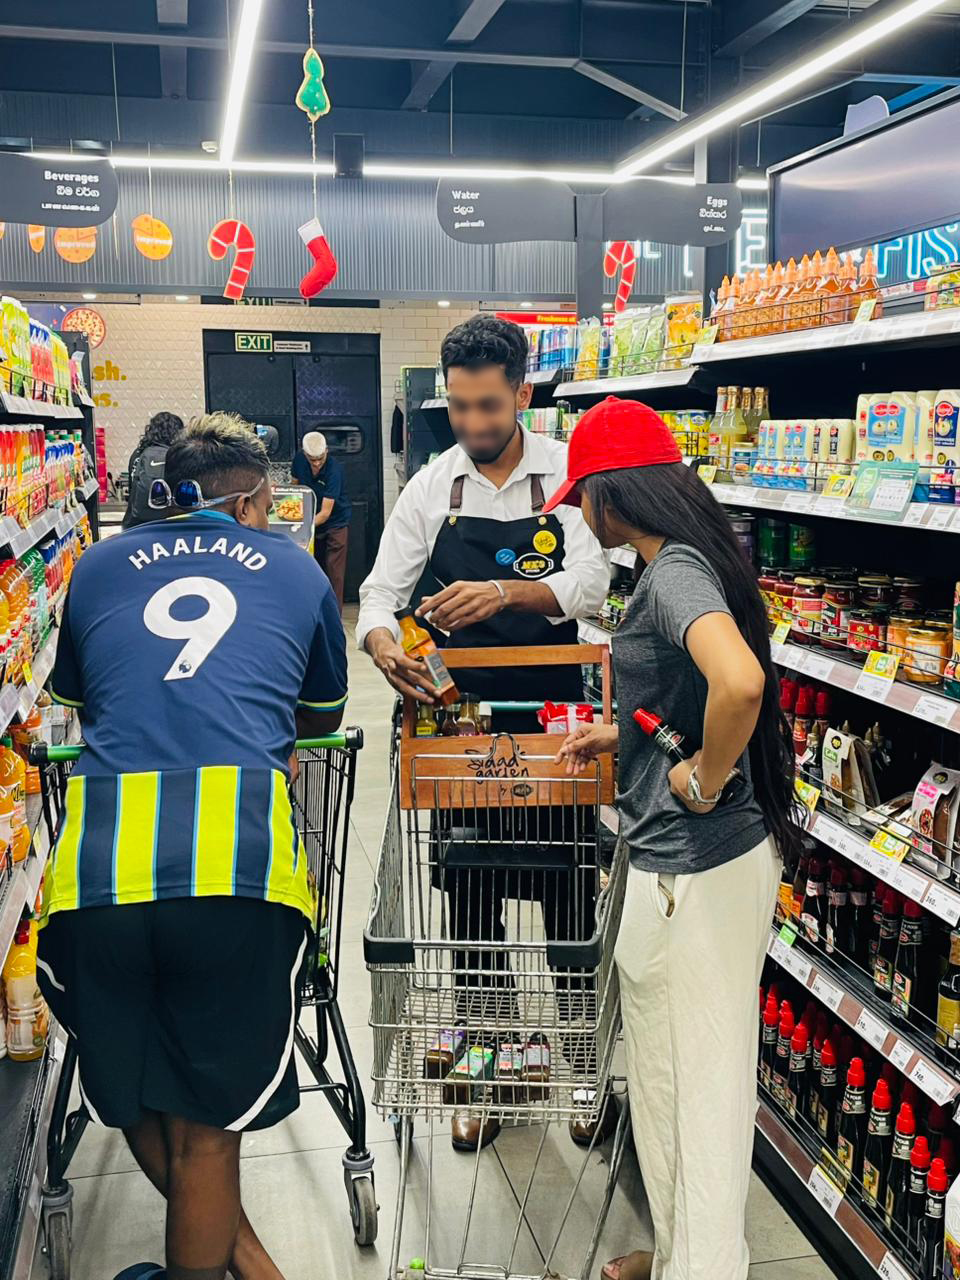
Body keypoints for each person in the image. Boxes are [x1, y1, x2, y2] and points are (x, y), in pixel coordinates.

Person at [37, 413, 348, 1280]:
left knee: (134, 1087)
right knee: (210, 1132)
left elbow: (81, 703)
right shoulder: (294, 567)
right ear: (249, 502)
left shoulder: (99, 566)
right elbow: (318, 717)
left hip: (100, 870)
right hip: (235, 869)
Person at [549, 397, 798, 1280]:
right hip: (674, 868)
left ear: (614, 494)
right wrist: (627, 736)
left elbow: (739, 682)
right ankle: (683, 1258)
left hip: (699, 874)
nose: (582, 515)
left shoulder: (677, 571)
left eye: (583, 496)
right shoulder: (675, 564)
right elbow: (695, 696)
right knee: (666, 1086)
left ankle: (705, 1267)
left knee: (702, 1098)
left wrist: (705, 778)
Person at [357, 314, 609, 1152]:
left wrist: (506, 594)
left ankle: (581, 1062)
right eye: (459, 407)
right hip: (458, 723)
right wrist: (383, 642)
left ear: (522, 394)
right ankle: (486, 1067)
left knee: (569, 901)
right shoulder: (433, 486)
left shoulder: (568, 475)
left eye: (488, 406)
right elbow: (378, 594)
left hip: (556, 724)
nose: (471, 423)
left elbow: (595, 582)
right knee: (468, 905)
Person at [291, 430, 351, 611]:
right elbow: (294, 489)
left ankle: (334, 614)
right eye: (312, 460)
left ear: (326, 451)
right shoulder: (299, 461)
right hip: (310, 518)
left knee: (335, 573)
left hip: (335, 521)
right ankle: (312, 610)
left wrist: (302, 527)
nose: (316, 463)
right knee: (310, 568)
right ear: (304, 454)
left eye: (320, 459)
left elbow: (325, 513)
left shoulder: (334, 471)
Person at [122, 411, 184, 528]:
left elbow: (132, 488)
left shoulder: (138, 454)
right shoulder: (176, 456)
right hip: (167, 522)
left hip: (135, 522)